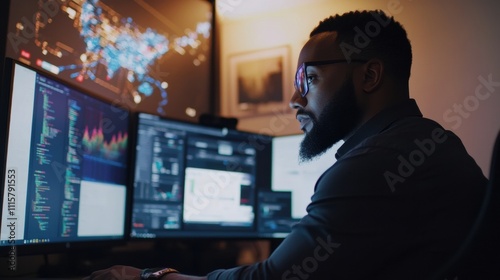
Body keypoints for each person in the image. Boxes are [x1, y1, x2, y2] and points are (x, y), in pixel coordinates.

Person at [84, 10, 492, 280]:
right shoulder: (431, 141)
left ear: (369, 76)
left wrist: (148, 276)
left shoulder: (376, 164)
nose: (296, 100)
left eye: (309, 80)